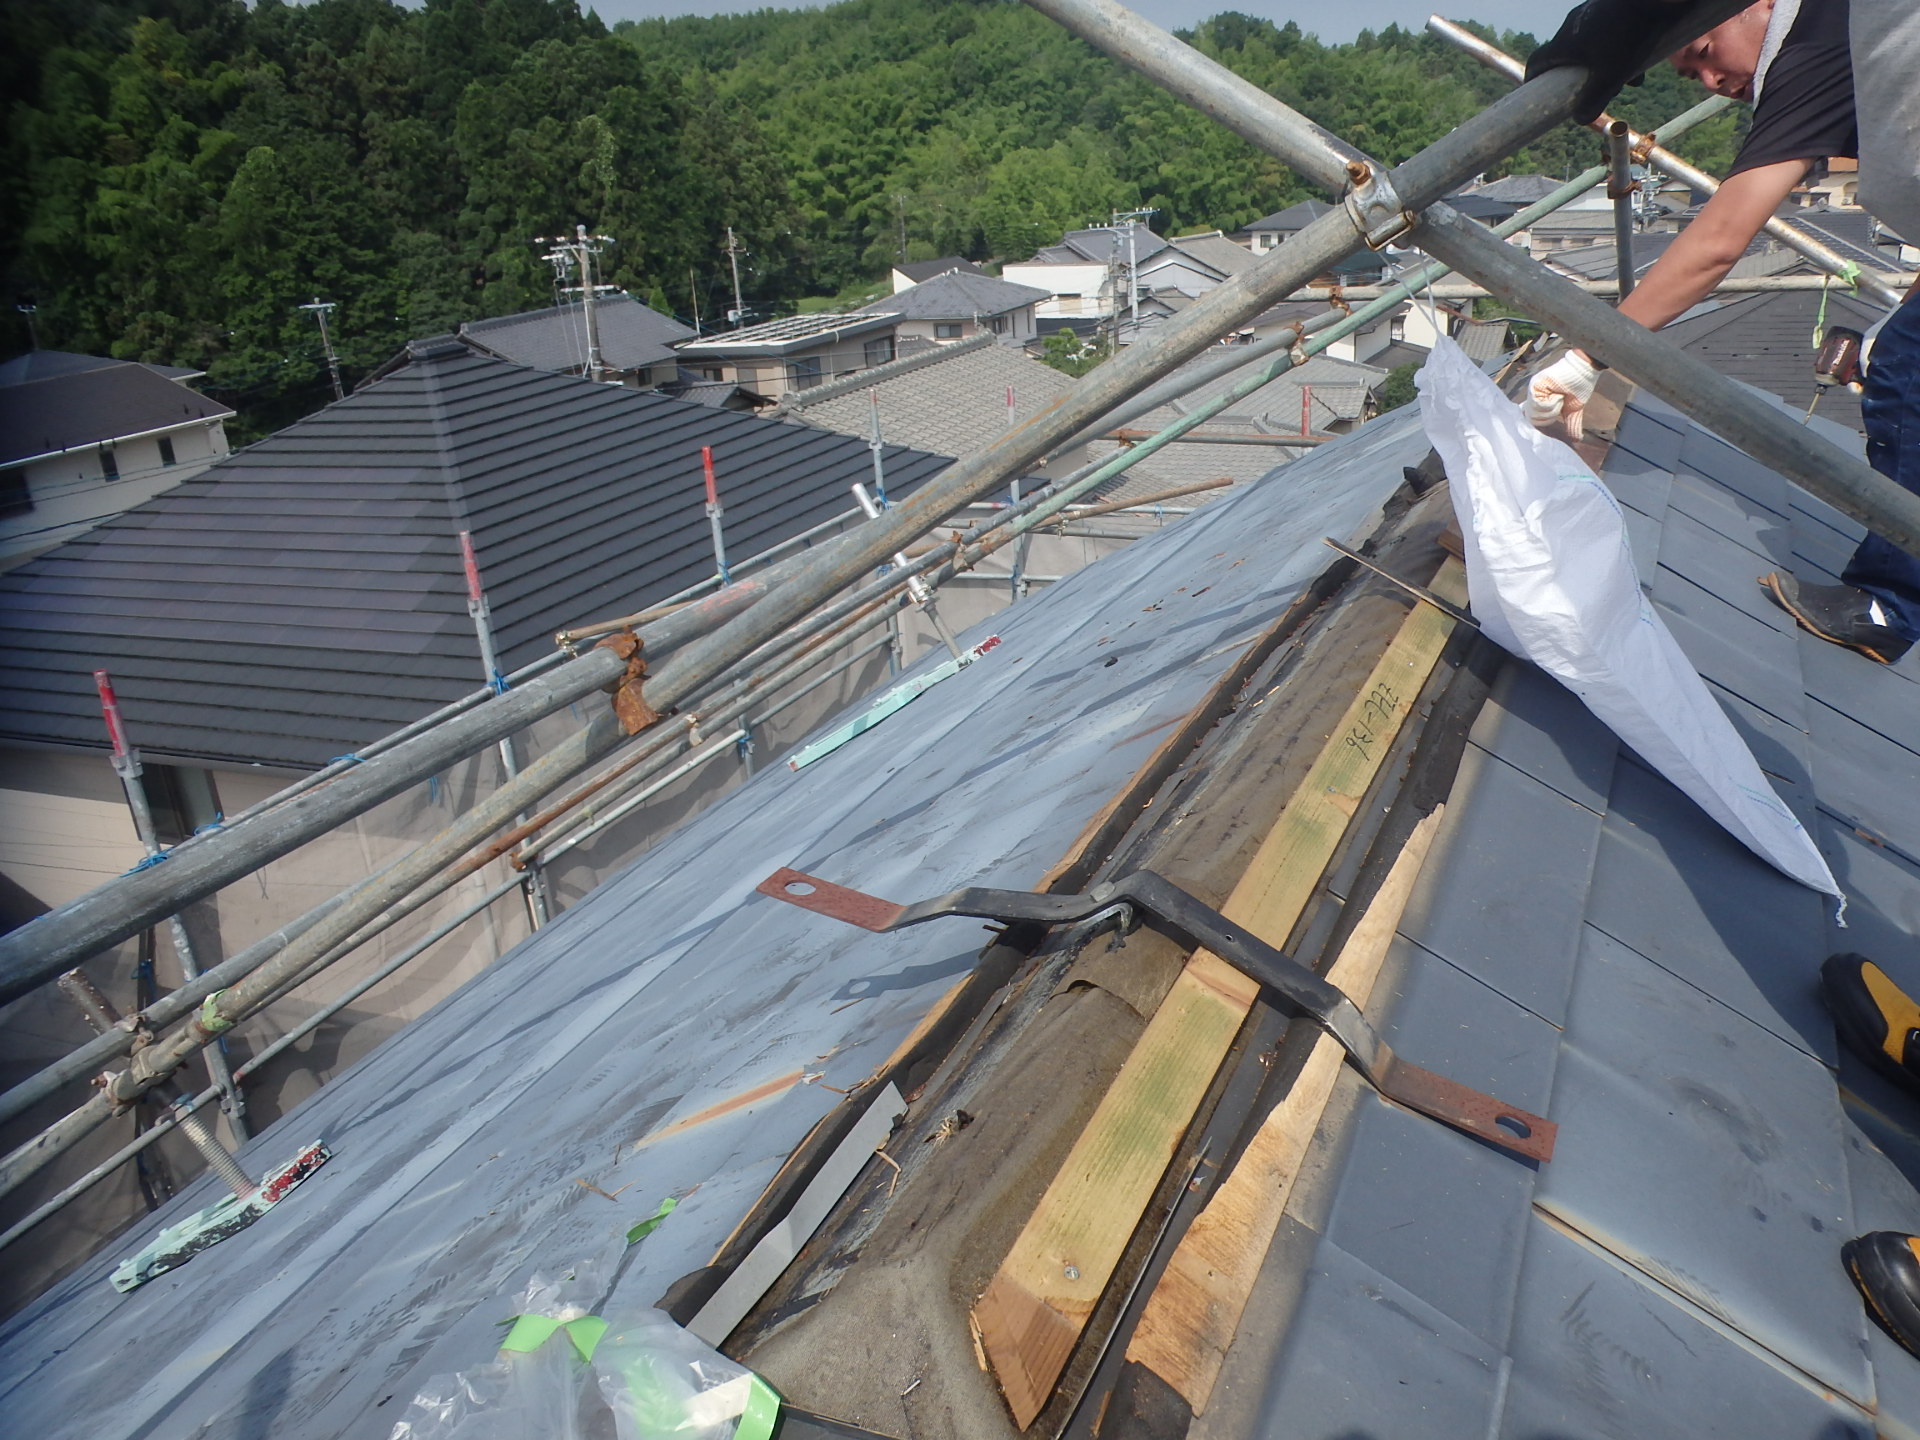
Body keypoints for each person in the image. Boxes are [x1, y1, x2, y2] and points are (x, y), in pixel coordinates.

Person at [1523, 0, 1920, 667]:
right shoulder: (1857, 33)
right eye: (1689, 76)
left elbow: (1719, 240)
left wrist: (1588, 355)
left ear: (1758, 6)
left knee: (1908, 376)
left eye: (1704, 52)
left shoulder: (1813, 43)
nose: (1711, 83)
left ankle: (1891, 603)